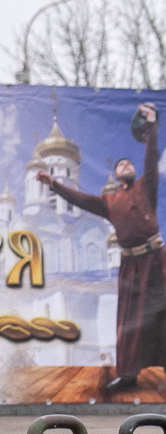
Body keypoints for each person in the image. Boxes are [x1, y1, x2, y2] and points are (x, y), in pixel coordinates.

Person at [37, 102, 163, 394]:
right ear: (116, 176)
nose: (126, 165)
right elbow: (80, 200)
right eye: (121, 165)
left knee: (163, 312)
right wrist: (54, 184)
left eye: (129, 164)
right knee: (129, 320)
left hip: (156, 259)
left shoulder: (146, 185)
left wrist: (151, 125)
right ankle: (128, 375)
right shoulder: (108, 202)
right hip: (130, 264)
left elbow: (150, 155)